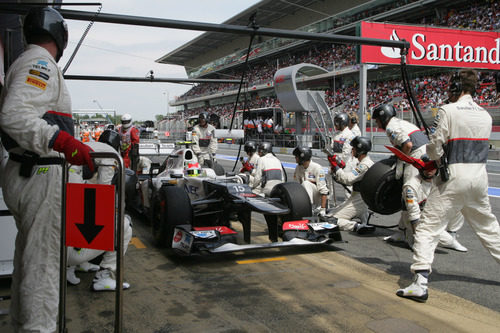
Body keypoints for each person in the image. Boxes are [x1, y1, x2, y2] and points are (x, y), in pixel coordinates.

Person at [0, 7, 95, 332]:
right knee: (44, 267)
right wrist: (62, 141)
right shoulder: (40, 63)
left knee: (29, 264)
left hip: (27, 172)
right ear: (60, 35)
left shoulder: (25, 62)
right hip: (39, 174)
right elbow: (13, 115)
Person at [396, 69, 500, 303]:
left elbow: (435, 146)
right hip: (479, 178)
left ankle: (420, 282)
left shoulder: (448, 110)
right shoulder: (486, 114)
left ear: (456, 87)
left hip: (453, 178)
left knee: (426, 228)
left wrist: (431, 161)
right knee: (489, 229)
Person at [67, 130, 133, 290]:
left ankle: (76, 266)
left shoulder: (85, 146)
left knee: (77, 211)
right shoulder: (110, 155)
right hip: (69, 252)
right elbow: (104, 193)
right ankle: (105, 275)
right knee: (124, 225)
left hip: (56, 244)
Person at [372, 103, 430, 242]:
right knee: (410, 196)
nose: (376, 123)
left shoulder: (391, 127)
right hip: (425, 153)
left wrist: (401, 160)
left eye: (377, 120)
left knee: (409, 193)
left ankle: (415, 236)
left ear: (383, 117)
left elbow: (408, 145)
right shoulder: (401, 122)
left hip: (416, 156)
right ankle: (402, 230)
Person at [386, 165, 467, 252]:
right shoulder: (410, 186)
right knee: (421, 246)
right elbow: (413, 214)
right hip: (416, 220)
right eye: (426, 169)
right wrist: (418, 238)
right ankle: (407, 234)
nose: (429, 171)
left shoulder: (438, 181)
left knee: (450, 240)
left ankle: (450, 234)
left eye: (432, 168)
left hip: (431, 217)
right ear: (420, 169)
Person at [329, 136, 375, 234]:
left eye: (353, 148)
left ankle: (356, 226)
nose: (352, 150)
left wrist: (337, 168)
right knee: (329, 214)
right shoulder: (362, 162)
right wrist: (336, 173)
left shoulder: (365, 165)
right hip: (357, 197)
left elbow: (348, 179)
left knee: (331, 220)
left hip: (359, 200)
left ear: (360, 150)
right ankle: (364, 214)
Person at [292, 146, 328, 217]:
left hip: (318, 200)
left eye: (296, 156)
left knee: (306, 183)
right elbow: (295, 186)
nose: (295, 158)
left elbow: (323, 190)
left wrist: (323, 209)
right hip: (304, 198)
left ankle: (309, 208)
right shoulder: (298, 168)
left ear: (302, 157)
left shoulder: (317, 168)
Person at [331, 112, 355, 199]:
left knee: (347, 186)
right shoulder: (336, 134)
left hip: (345, 164)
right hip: (334, 163)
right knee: (329, 182)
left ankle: (348, 204)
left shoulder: (350, 135)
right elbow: (331, 148)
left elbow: (346, 152)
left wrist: (338, 163)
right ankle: (328, 203)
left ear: (342, 123)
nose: (335, 124)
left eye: (337, 122)